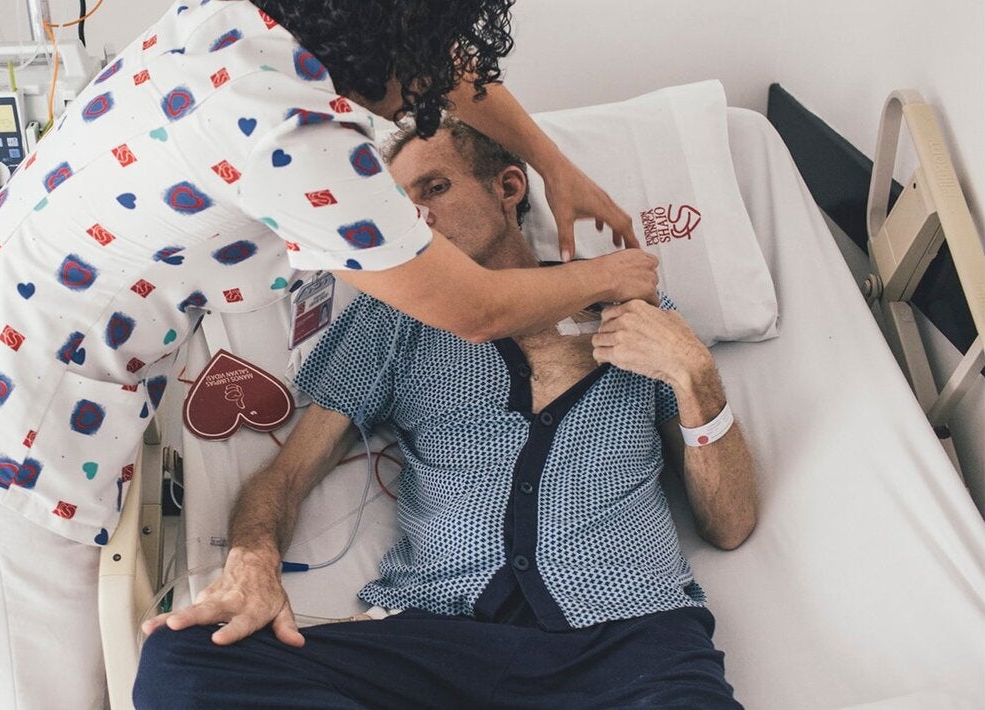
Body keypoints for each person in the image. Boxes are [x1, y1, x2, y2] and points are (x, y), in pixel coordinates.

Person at [0, 0, 660, 706]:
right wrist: (614, 273)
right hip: (4, 434)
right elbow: (476, 311)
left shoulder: (240, 19)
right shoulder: (295, 136)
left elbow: (435, 58)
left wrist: (556, 161)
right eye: (410, 91)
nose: (416, 107)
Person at [135, 119, 758, 708]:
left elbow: (730, 525)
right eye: (405, 205)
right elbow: (286, 475)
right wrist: (252, 561)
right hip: (438, 644)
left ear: (509, 187)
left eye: (436, 187)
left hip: (628, 647)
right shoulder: (393, 321)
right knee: (181, 662)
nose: (422, 215)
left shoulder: (629, 306)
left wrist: (694, 373)